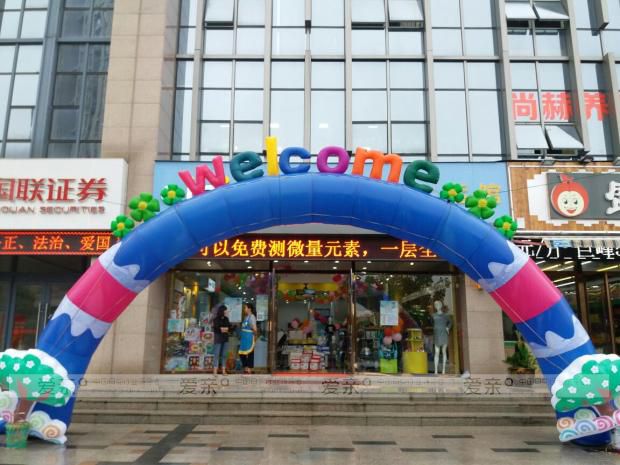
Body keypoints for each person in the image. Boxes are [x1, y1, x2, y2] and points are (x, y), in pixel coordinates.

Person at [238, 302, 257, 374]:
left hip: (249, 337)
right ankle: (245, 367)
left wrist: (254, 336)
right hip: (244, 337)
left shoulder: (252, 317)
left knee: (250, 353)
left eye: (245, 308)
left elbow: (255, 329)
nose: (244, 309)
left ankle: (249, 368)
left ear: (249, 309)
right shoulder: (246, 317)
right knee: (241, 353)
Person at [212, 304, 230, 375]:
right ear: (222, 311)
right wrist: (224, 329)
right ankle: (215, 370)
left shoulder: (226, 319)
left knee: (224, 355)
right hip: (218, 338)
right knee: (216, 354)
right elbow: (217, 328)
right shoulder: (216, 319)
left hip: (225, 338)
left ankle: (223, 370)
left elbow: (229, 328)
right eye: (226, 310)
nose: (227, 312)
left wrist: (223, 329)